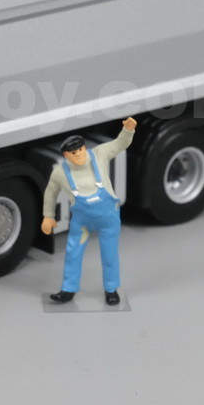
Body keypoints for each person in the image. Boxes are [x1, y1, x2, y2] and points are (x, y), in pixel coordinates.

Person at [42, 117, 137, 305]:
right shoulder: (60, 172)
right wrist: (48, 216)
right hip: (82, 222)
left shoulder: (99, 154)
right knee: (73, 253)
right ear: (66, 155)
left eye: (80, 150)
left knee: (109, 255)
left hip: (108, 218)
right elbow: (50, 193)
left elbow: (120, 144)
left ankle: (111, 289)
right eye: (73, 153)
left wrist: (128, 130)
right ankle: (68, 289)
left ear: (85, 148)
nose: (78, 154)